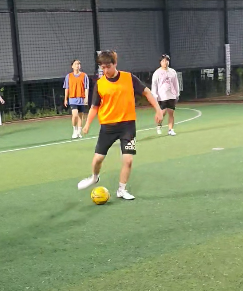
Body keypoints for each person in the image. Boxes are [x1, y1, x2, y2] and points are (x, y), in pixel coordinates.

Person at [77, 51, 163, 200]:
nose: (105, 70)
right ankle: (94, 177)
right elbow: (94, 107)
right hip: (107, 127)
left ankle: (121, 190)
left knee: (128, 160)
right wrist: (87, 124)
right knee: (97, 159)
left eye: (108, 67)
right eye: (102, 67)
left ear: (115, 63)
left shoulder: (129, 78)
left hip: (127, 126)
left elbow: (147, 92)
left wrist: (158, 110)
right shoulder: (100, 84)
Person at [151, 54, 180, 136]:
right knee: (162, 113)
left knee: (171, 112)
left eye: (167, 60)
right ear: (160, 62)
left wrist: (177, 93)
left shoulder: (172, 72)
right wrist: (155, 96)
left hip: (171, 95)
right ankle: (159, 125)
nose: (165, 62)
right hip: (162, 96)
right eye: (163, 61)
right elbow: (154, 85)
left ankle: (170, 129)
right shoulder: (157, 73)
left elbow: (176, 83)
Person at [63, 59, 89, 139]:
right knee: (75, 115)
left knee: (81, 116)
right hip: (72, 98)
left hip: (81, 98)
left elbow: (86, 88)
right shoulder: (68, 76)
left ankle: (79, 132)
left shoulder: (84, 75)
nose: (77, 65)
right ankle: (74, 130)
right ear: (72, 66)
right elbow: (66, 88)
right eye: (75, 64)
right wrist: (65, 99)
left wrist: (86, 98)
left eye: (78, 64)